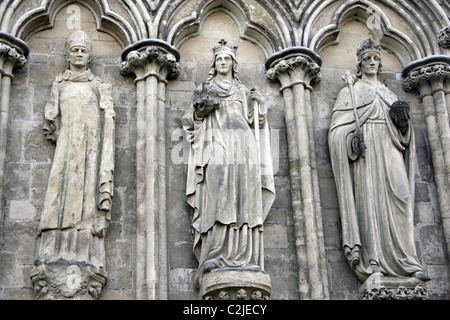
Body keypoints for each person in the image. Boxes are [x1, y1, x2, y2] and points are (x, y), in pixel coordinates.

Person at [328, 38, 430, 282]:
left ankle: (407, 260)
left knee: (402, 197)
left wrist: (403, 122)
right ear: (360, 64)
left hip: (390, 149)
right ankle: (375, 260)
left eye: (376, 59)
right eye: (367, 59)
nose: (372, 63)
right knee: (371, 203)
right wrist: (352, 141)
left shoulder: (388, 93)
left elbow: (404, 136)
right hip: (366, 156)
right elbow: (336, 132)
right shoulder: (350, 91)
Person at [182, 39, 275, 287]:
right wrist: (201, 111)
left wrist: (261, 107)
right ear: (215, 64)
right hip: (216, 144)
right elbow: (189, 119)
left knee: (244, 197)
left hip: (244, 146)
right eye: (219, 59)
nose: (223, 63)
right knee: (218, 191)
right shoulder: (205, 88)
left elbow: (255, 120)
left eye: (227, 59)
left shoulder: (242, 91)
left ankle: (245, 256)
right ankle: (215, 255)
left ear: (234, 64)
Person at [36, 30, 115, 271]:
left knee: (88, 197)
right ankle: (54, 245)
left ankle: (85, 245)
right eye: (75, 50)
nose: (79, 54)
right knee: (59, 192)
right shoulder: (60, 84)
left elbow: (108, 120)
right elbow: (51, 123)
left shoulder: (99, 86)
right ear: (68, 55)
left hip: (91, 153)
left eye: (83, 51)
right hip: (67, 149)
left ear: (89, 56)